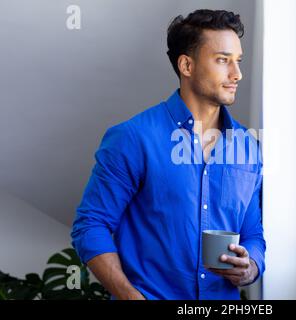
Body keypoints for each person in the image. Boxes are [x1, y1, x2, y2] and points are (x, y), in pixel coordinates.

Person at [71, 9, 265, 300]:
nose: (237, 74)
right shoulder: (133, 138)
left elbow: (253, 232)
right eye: (223, 60)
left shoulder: (247, 147)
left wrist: (250, 267)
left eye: (238, 61)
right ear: (187, 65)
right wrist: (129, 296)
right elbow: (91, 225)